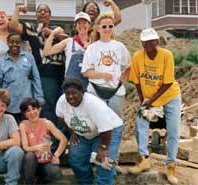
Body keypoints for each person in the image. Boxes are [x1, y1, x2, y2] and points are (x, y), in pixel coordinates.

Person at [128, 28, 181, 185]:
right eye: (145, 42)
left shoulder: (166, 55)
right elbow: (137, 81)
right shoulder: (138, 56)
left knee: (173, 131)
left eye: (151, 41)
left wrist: (151, 101)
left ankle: (170, 165)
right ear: (142, 43)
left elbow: (168, 82)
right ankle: (143, 159)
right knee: (140, 125)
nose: (148, 45)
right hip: (149, 98)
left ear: (157, 42)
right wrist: (143, 101)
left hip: (170, 96)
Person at [56, 78, 123, 185]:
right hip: (85, 133)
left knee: (104, 163)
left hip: (108, 131)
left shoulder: (93, 104)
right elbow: (61, 117)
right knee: (76, 158)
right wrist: (72, 132)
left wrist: (103, 148)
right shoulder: (62, 102)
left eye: (74, 93)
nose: (70, 97)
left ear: (82, 92)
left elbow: (106, 128)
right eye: (67, 94)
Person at [9, 4, 67, 126]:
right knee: (46, 106)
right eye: (39, 11)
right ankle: (49, 136)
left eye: (45, 11)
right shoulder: (32, 29)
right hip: (43, 73)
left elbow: (66, 39)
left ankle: (57, 136)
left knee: (58, 105)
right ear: (36, 16)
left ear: (50, 15)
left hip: (58, 72)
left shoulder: (57, 28)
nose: (42, 12)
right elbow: (13, 26)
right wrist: (17, 10)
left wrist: (51, 33)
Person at [81, 13, 131, 117]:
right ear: (98, 28)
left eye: (110, 26)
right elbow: (86, 72)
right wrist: (102, 75)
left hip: (116, 91)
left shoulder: (119, 46)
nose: (107, 29)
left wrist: (126, 74)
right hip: (95, 91)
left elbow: (129, 64)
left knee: (116, 122)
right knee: (98, 122)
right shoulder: (92, 48)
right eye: (104, 26)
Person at [0, 33, 44, 123]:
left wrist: (39, 97)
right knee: (11, 131)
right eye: (11, 42)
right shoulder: (2, 62)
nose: (14, 45)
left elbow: (36, 79)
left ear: (21, 43)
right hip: (9, 104)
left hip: (26, 103)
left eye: (17, 42)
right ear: (7, 43)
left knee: (26, 129)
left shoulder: (29, 57)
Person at [19, 97, 67, 184]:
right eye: (28, 111)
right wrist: (37, 147)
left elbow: (63, 139)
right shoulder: (23, 125)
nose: (32, 113)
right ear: (25, 114)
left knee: (56, 173)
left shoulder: (47, 123)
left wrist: (56, 155)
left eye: (34, 109)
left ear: (39, 109)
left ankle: (38, 181)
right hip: (30, 163)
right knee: (29, 156)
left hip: (45, 160)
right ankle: (28, 182)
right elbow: (25, 147)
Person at [43, 12, 91, 88]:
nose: (82, 25)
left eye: (84, 22)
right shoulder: (68, 42)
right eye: (79, 23)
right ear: (75, 26)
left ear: (89, 25)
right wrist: (53, 34)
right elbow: (46, 52)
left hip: (89, 86)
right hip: (71, 87)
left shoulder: (94, 44)